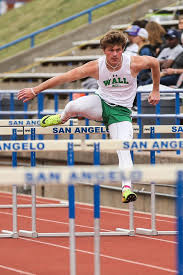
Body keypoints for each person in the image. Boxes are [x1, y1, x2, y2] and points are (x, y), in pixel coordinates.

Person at [18, 30, 160, 204]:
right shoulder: (96, 66)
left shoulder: (133, 62)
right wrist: (35, 90)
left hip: (121, 113)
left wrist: (155, 89)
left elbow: (154, 63)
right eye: (110, 50)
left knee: (123, 149)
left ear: (123, 48)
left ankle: (127, 188)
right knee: (72, 105)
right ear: (104, 50)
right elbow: (65, 77)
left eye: (118, 50)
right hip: (101, 103)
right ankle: (62, 118)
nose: (115, 54)